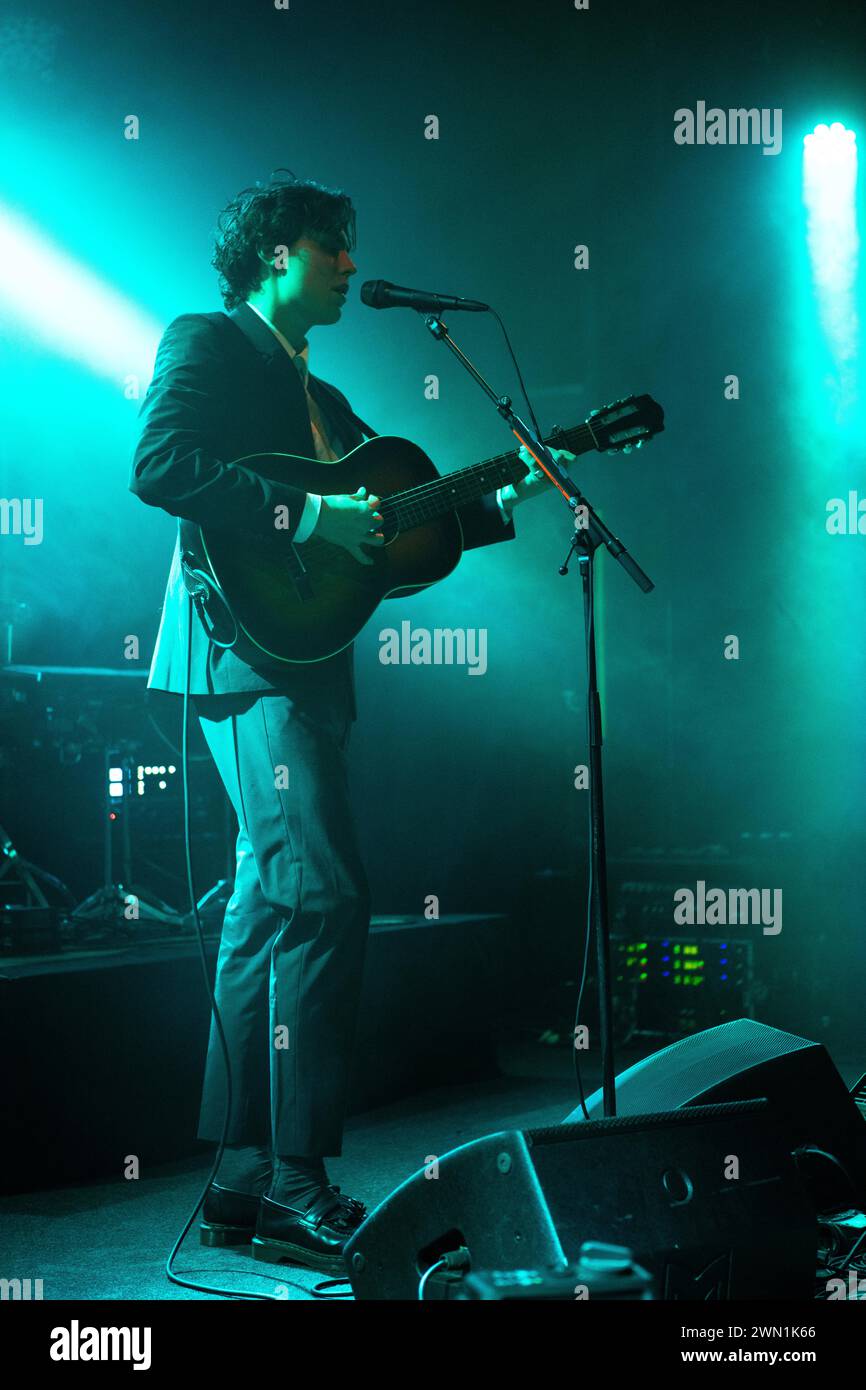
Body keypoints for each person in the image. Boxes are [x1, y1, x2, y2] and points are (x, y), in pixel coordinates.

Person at [130, 173, 569, 1274]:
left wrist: (504, 494)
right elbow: (160, 465)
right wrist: (300, 511)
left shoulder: (320, 395)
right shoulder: (207, 340)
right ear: (278, 251)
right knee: (322, 893)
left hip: (299, 664)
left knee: (264, 908)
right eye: (332, 248)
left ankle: (240, 1178)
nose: (346, 266)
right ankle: (293, 1177)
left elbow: (395, 525)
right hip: (241, 654)